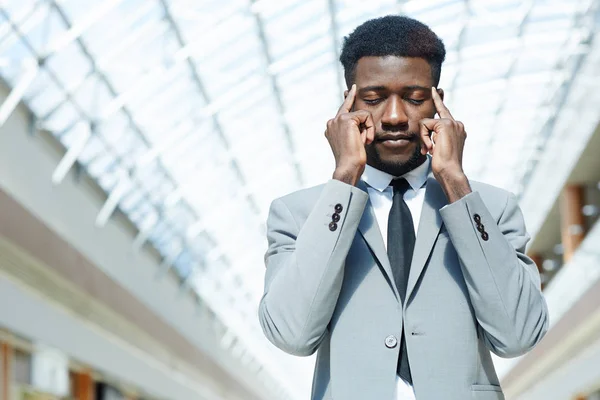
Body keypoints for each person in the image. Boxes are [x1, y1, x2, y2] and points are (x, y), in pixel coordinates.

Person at [258, 15, 548, 400]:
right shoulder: (298, 213)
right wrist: (344, 177)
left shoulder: (491, 209)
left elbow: (518, 336)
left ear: (438, 102)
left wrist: (456, 185)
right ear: (347, 104)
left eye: (414, 98)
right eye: (374, 99)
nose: (394, 117)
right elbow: (292, 335)